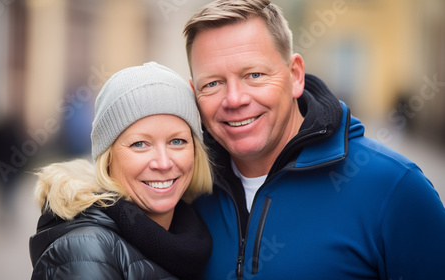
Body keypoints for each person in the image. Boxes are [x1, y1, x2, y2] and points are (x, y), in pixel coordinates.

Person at [183, 0, 445, 279]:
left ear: (295, 75)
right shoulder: (182, 192)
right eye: (212, 83)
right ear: (194, 92)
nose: (234, 99)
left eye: (254, 75)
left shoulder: (395, 190)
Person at [29, 62, 213, 280]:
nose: (163, 163)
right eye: (140, 144)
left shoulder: (194, 233)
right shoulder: (86, 250)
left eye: (177, 141)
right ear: (108, 158)